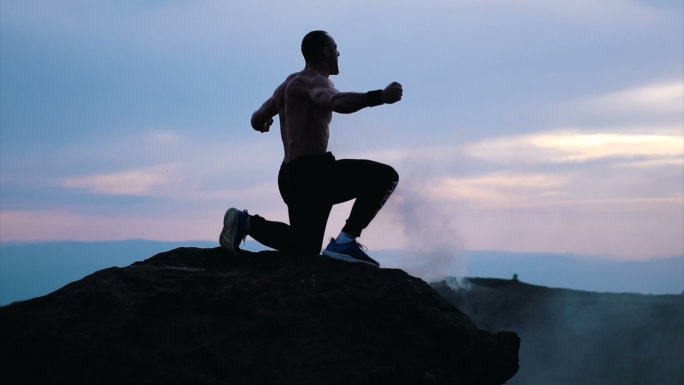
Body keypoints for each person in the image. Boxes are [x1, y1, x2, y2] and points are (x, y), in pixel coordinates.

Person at [219, 30, 402, 267]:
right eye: (336, 49)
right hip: (313, 173)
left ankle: (246, 222)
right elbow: (335, 102)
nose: (339, 53)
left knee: (305, 246)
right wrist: (380, 97)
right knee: (386, 176)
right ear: (326, 52)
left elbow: (256, 118)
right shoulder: (315, 81)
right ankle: (346, 241)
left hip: (289, 177)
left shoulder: (288, 84)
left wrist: (264, 123)